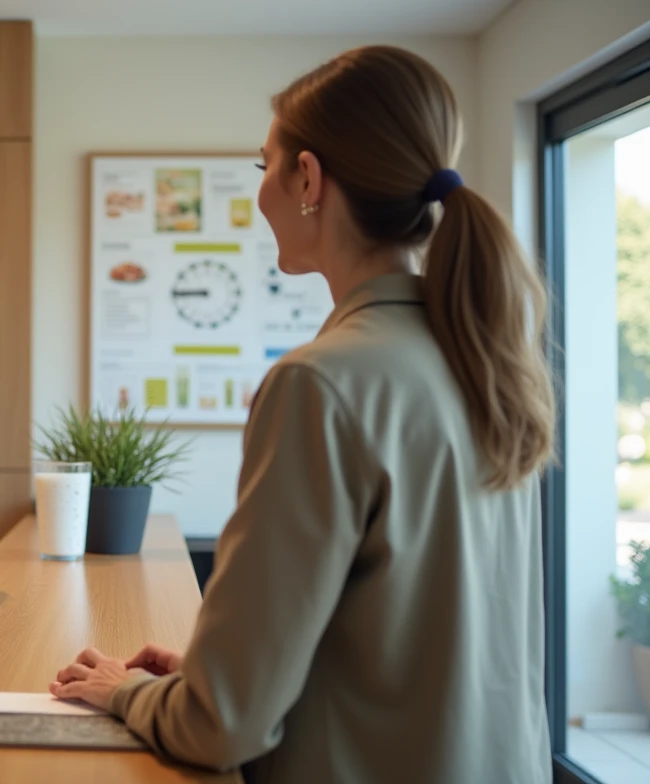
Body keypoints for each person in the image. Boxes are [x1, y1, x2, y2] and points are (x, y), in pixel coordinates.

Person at [50, 46, 555, 784]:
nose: (262, 190)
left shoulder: (318, 384)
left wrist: (130, 693)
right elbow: (421, 643)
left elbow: (221, 727)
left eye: (266, 166)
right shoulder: (489, 364)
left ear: (309, 179)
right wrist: (214, 673)